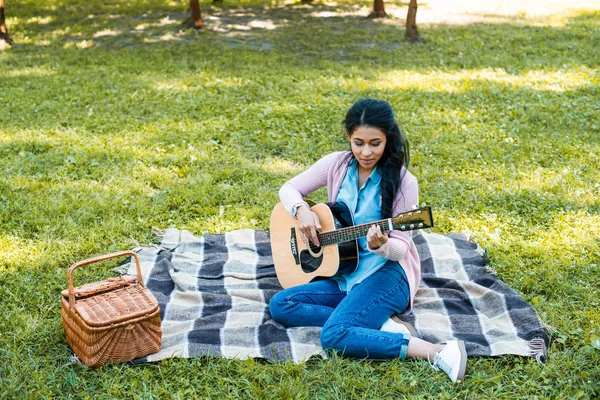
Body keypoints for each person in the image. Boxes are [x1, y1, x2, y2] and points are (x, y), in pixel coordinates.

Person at [269, 98, 467, 382]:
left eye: (375, 143)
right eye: (358, 142)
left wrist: (382, 245)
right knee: (281, 304)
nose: (366, 151)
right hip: (346, 272)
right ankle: (373, 320)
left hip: (387, 274)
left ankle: (436, 351)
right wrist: (302, 211)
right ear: (349, 137)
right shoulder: (336, 165)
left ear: (388, 138)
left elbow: (401, 249)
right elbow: (289, 188)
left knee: (335, 335)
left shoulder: (403, 182)